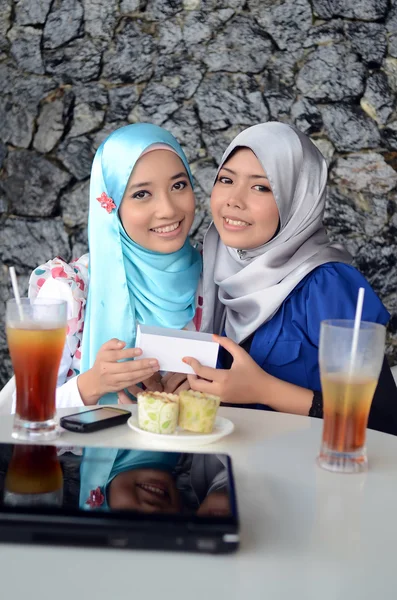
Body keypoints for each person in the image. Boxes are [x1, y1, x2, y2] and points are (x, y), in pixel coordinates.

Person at [183, 122, 397, 436]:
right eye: (226, 180)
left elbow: (383, 420)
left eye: (261, 187)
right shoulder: (215, 269)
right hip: (228, 466)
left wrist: (265, 390)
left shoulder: (328, 286)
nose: (233, 200)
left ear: (298, 199)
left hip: (309, 471)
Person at [27, 123, 202, 407]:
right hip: (82, 452)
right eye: (141, 194)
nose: (169, 209)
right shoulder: (70, 291)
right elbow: (18, 413)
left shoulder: (212, 278)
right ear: (111, 206)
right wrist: (90, 386)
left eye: (178, 185)